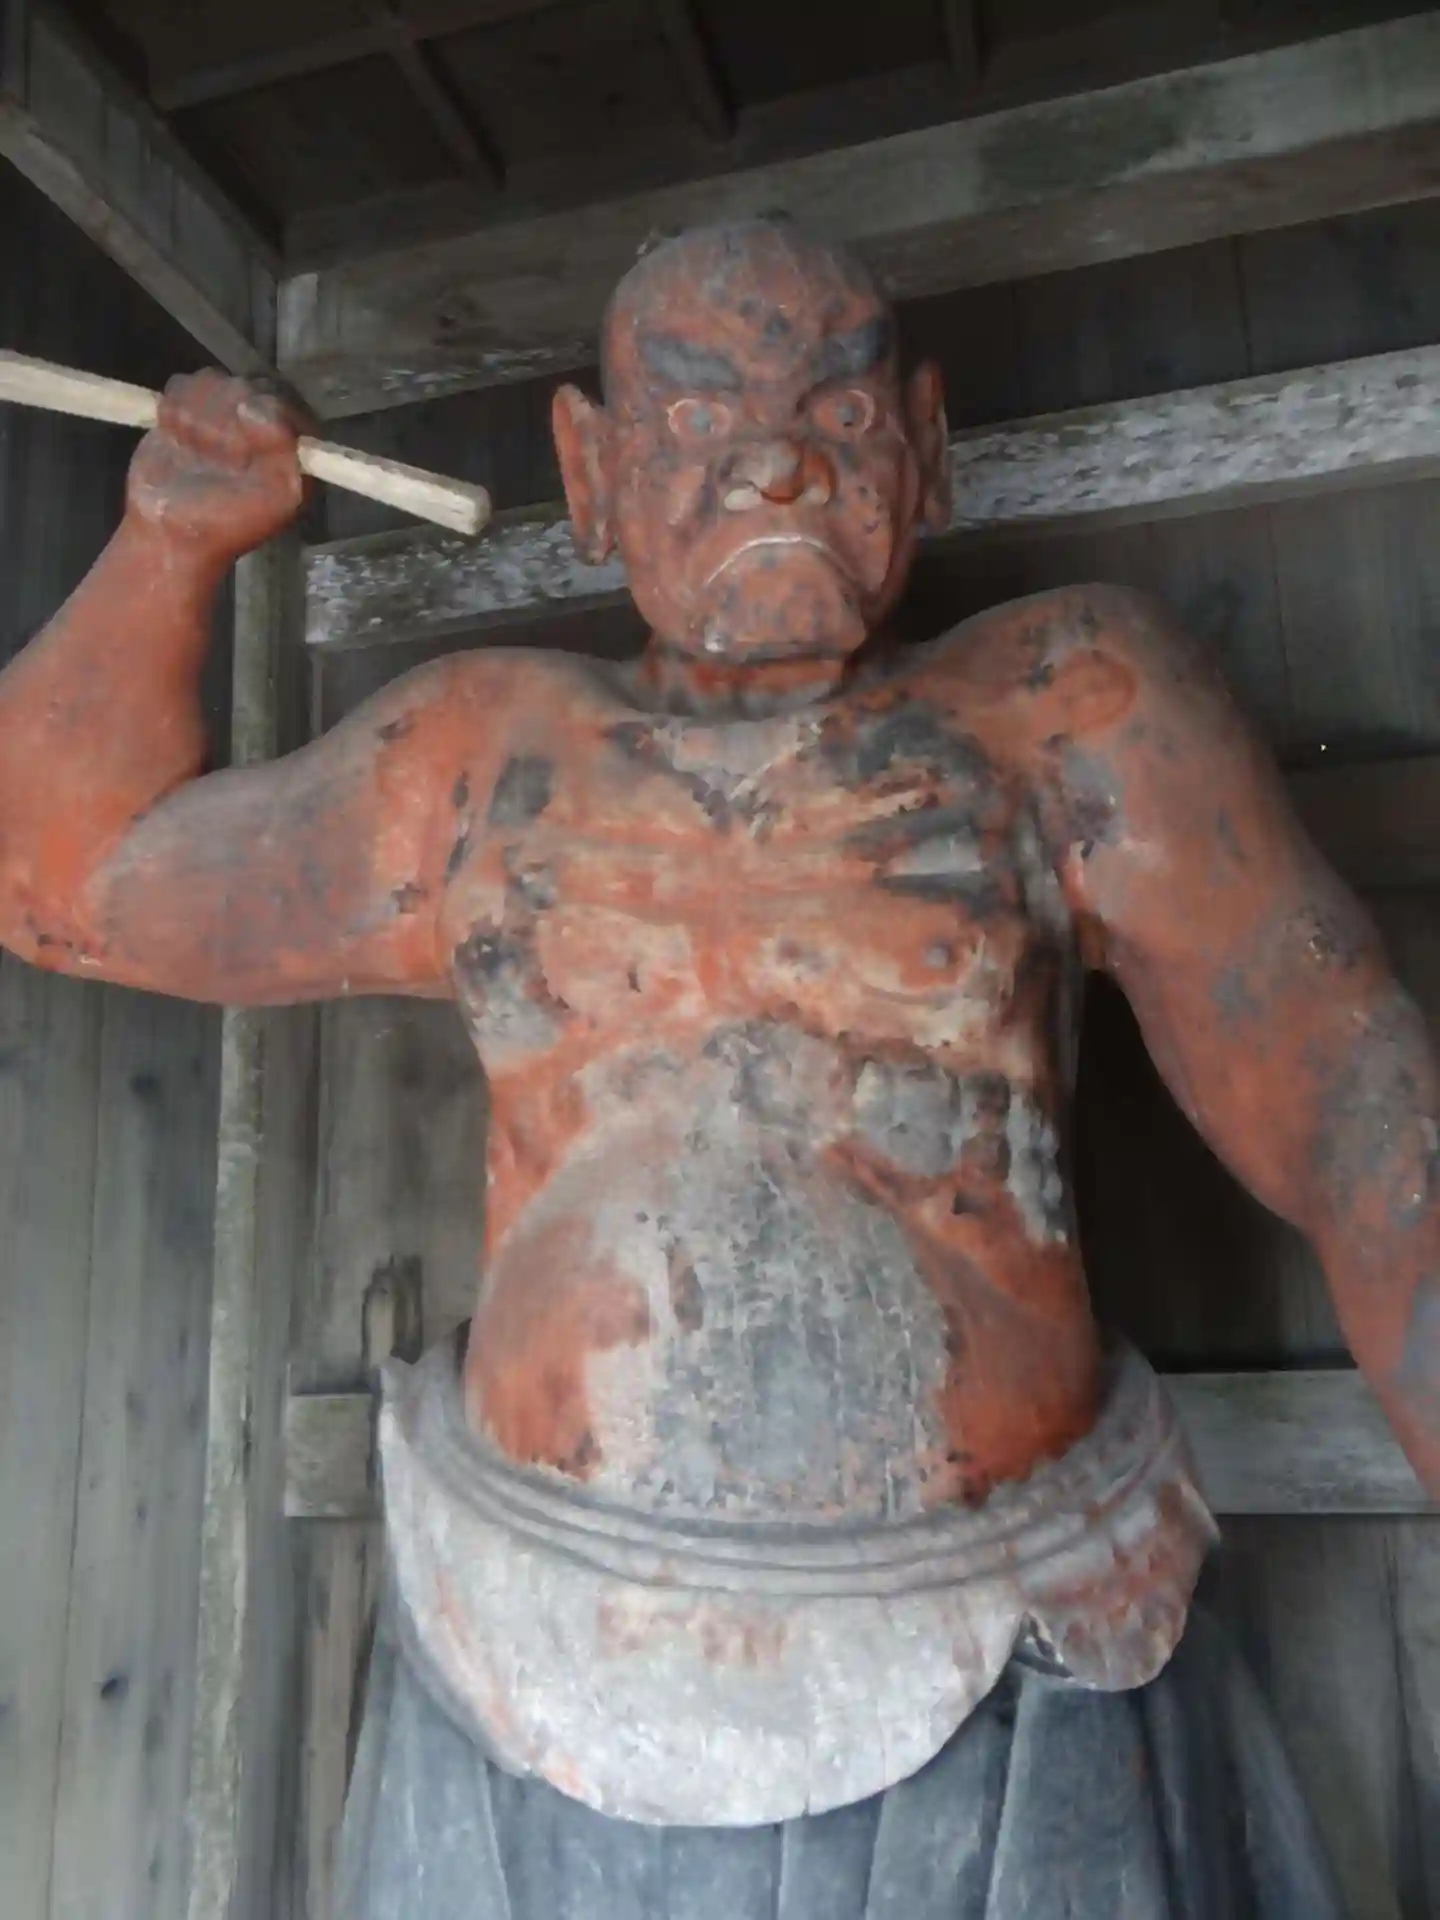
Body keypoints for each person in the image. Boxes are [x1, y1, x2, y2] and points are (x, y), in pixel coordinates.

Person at [1, 219, 1433, 1917]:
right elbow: (70, 884)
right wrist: (169, 538)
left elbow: (1353, 1100)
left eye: (840, 412)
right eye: (694, 420)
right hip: (532, 1630)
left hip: (1011, 1631)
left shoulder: (1070, 705)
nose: (775, 462)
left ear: (927, 444)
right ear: (588, 474)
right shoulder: (474, 753)